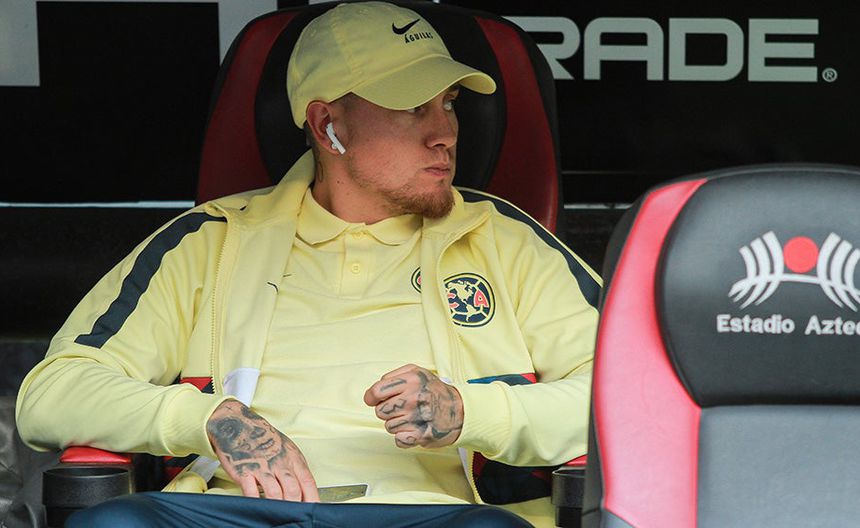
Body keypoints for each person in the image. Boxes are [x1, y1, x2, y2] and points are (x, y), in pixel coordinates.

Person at [15, 2, 600, 527]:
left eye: (448, 104)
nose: (444, 133)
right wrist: (211, 420)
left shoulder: (505, 239)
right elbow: (53, 393)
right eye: (413, 107)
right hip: (236, 511)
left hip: (435, 515)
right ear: (327, 125)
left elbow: (628, 393)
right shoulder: (209, 241)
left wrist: (471, 412)